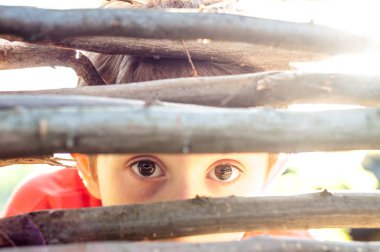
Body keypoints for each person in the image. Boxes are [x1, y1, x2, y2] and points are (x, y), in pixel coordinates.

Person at [2, 0, 311, 242]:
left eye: (224, 171)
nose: (182, 220)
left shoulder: (282, 242)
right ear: (89, 165)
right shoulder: (45, 212)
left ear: (268, 173)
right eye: (146, 167)